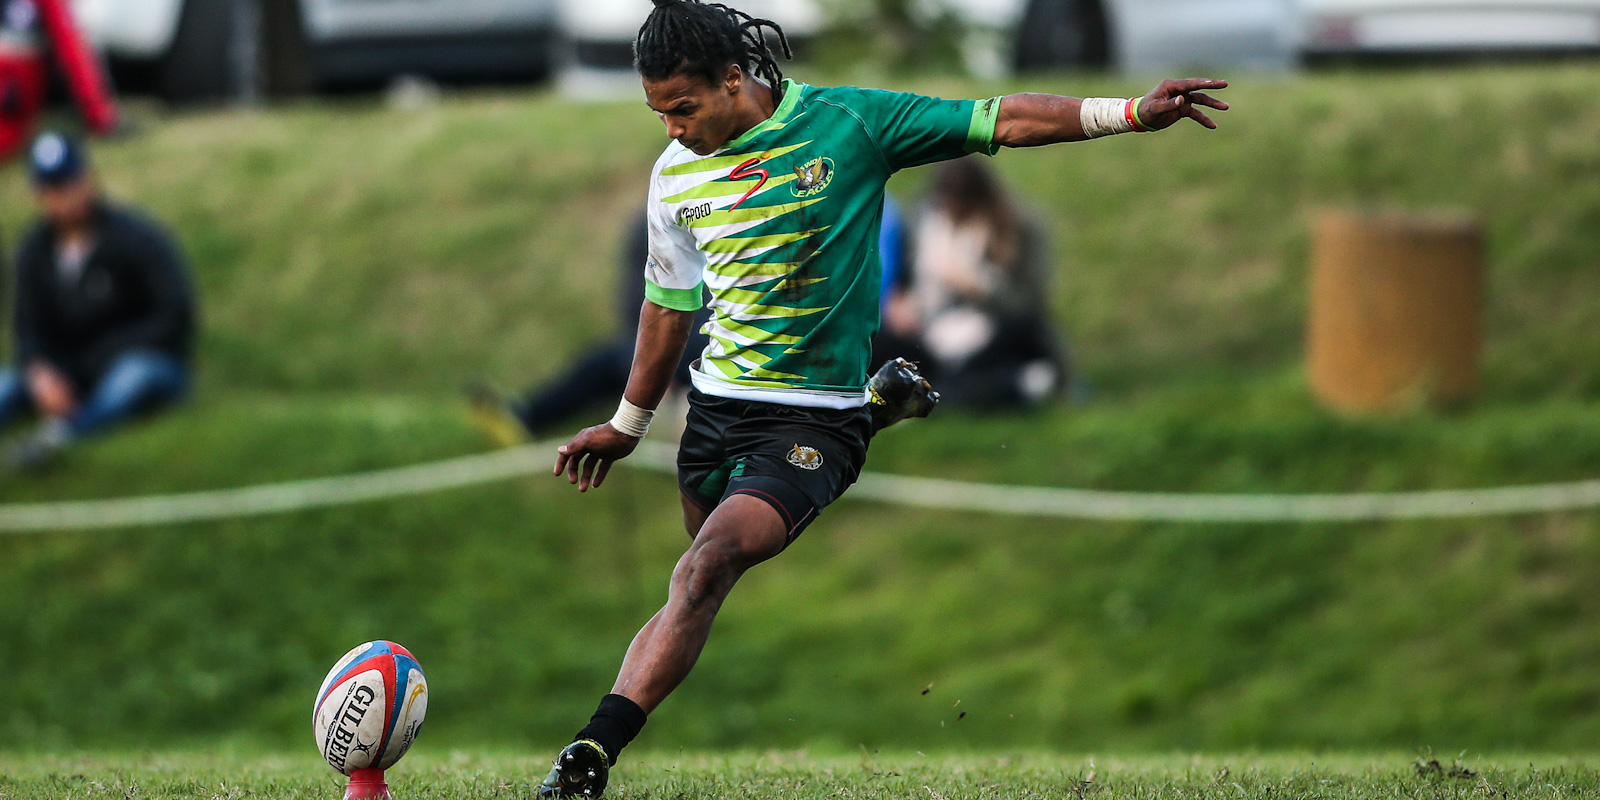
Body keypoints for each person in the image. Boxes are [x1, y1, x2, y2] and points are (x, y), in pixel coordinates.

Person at [541, 1, 1227, 795]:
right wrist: (627, 425)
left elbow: (997, 119)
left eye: (683, 108)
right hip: (717, 407)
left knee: (706, 567)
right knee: (699, 572)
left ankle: (589, 752)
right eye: (658, 113)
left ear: (732, 79)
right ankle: (878, 408)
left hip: (809, 419)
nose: (672, 129)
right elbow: (667, 307)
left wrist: (1130, 112)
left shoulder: (850, 125)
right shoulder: (675, 175)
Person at [0, 131, 196, 471]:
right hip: (67, 370)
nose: (61, 198)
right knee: (5, 384)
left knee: (131, 377)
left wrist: (90, 365)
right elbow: (28, 325)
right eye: (50, 189)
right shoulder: (33, 250)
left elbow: (174, 316)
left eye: (67, 184)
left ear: (88, 178)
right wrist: (41, 371)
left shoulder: (138, 238)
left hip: (141, 362)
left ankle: (59, 437)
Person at [467, 211, 711, 444]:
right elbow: (644, 296)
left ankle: (528, 419)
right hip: (678, 349)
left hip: (706, 352)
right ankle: (527, 419)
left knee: (611, 363)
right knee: (610, 364)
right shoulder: (656, 224)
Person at [878, 158, 1066, 409]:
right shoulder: (923, 219)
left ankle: (1011, 384)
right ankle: (1011, 385)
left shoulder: (1016, 227)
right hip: (926, 326)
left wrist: (974, 286)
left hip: (989, 326)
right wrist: (900, 301)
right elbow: (905, 277)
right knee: (878, 341)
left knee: (1001, 344)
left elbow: (1026, 302)